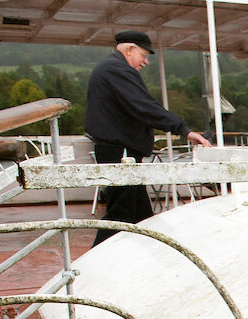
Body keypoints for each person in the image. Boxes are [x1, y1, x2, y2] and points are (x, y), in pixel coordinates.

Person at [85, 31, 211, 245]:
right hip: (121, 151)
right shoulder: (117, 69)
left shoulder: (110, 68)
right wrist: (184, 130)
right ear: (129, 49)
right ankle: (90, 268)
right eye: (143, 55)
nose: (145, 61)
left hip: (120, 149)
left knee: (139, 214)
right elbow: (143, 107)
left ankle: (150, 260)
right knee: (121, 214)